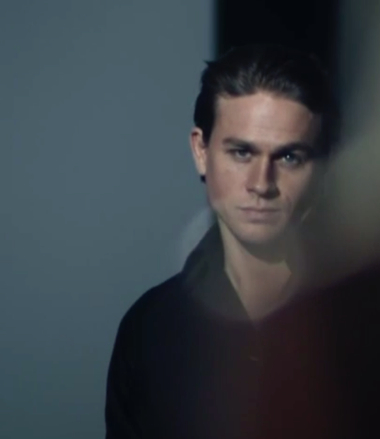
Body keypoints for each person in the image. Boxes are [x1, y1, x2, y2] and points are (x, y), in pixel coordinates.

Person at [104, 44, 345, 439]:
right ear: (201, 152)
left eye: (289, 157)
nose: (261, 184)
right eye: (241, 152)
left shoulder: (377, 321)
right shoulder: (149, 330)